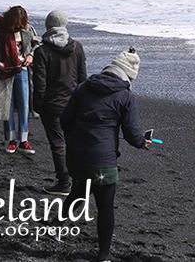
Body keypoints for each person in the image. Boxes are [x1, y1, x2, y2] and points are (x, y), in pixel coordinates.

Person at [62, 47, 149, 262]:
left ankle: (56, 224)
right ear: (129, 76)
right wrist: (142, 142)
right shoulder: (125, 95)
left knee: (81, 187)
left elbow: (64, 120)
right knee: (105, 205)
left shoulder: (84, 88)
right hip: (102, 161)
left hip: (75, 155)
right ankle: (103, 255)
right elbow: (131, 133)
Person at [32, 10, 86, 196]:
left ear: (48, 26)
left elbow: (40, 83)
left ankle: (64, 183)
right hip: (74, 102)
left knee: (58, 143)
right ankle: (78, 180)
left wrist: (37, 105)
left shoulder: (42, 51)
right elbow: (82, 78)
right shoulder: (77, 47)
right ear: (65, 25)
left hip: (52, 104)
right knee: (74, 142)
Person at [0, 5, 39, 154]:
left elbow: (37, 44)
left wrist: (30, 56)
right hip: (4, 71)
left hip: (22, 69)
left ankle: (24, 140)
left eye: (21, 25)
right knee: (6, 104)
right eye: (16, 26)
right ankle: (11, 140)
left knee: (24, 105)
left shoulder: (27, 29)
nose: (19, 28)